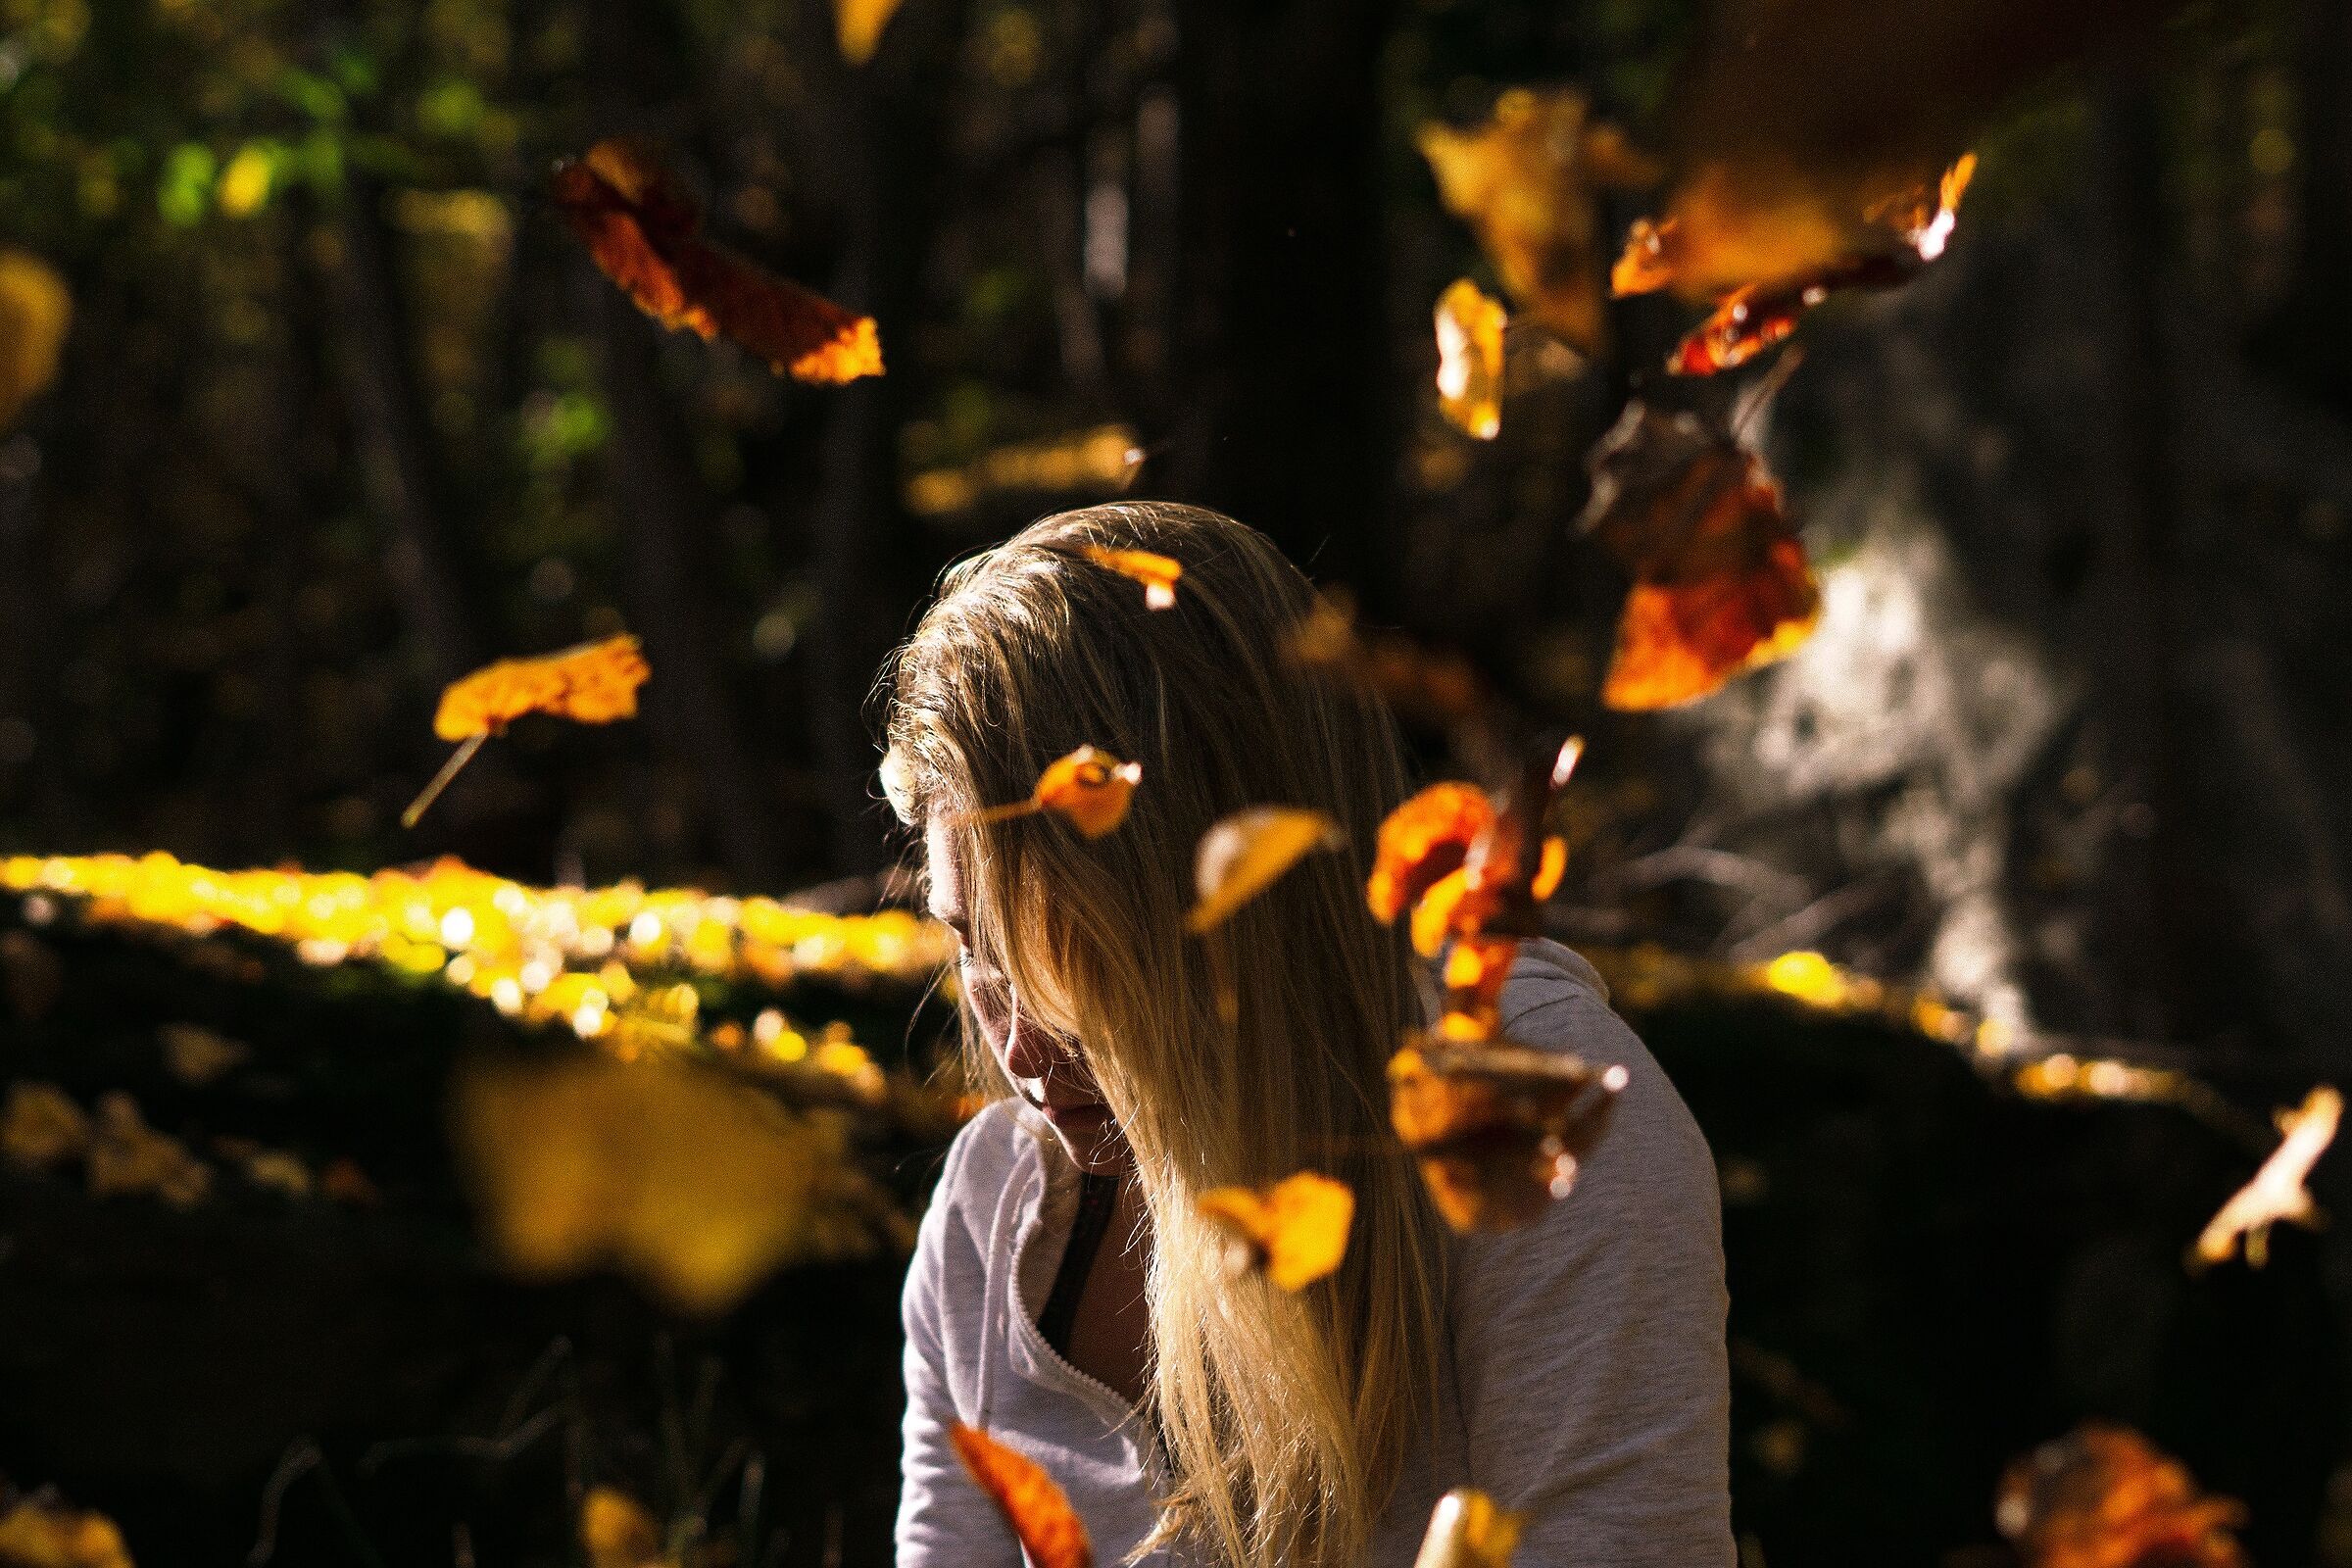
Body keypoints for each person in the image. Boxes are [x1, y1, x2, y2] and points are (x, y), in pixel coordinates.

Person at [881, 501, 1733, 1568]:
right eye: (977, 954)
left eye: (1082, 971)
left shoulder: (1538, 1126)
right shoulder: (993, 1210)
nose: (1018, 1051)